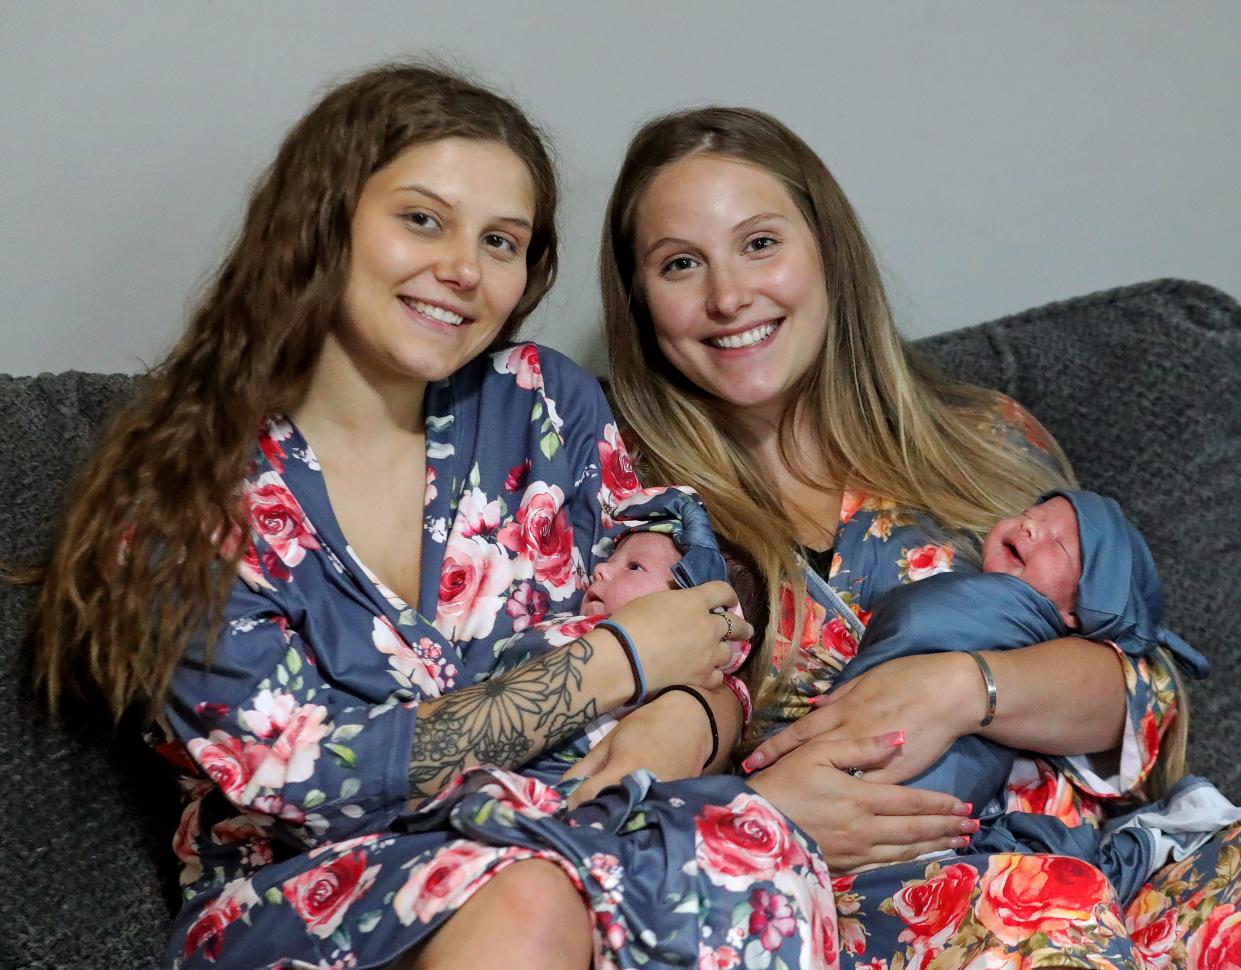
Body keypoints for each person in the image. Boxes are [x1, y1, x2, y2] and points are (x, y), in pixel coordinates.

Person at [28, 64, 773, 970]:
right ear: (324, 221)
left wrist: (692, 710)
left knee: (740, 859)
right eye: (422, 219)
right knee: (530, 901)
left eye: (501, 241)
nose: (461, 269)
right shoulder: (182, 496)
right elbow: (306, 779)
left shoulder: (541, 403)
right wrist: (609, 666)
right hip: (323, 898)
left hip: (594, 831)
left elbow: (703, 621)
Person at [591, 104, 1241, 968]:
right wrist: (758, 815)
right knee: (1031, 927)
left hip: (1114, 860)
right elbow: (587, 780)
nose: (727, 296)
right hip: (868, 898)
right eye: (680, 264)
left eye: (759, 244)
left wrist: (965, 687)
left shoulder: (985, 440)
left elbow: (1147, 705)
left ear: (826, 252)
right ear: (638, 301)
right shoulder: (628, 511)